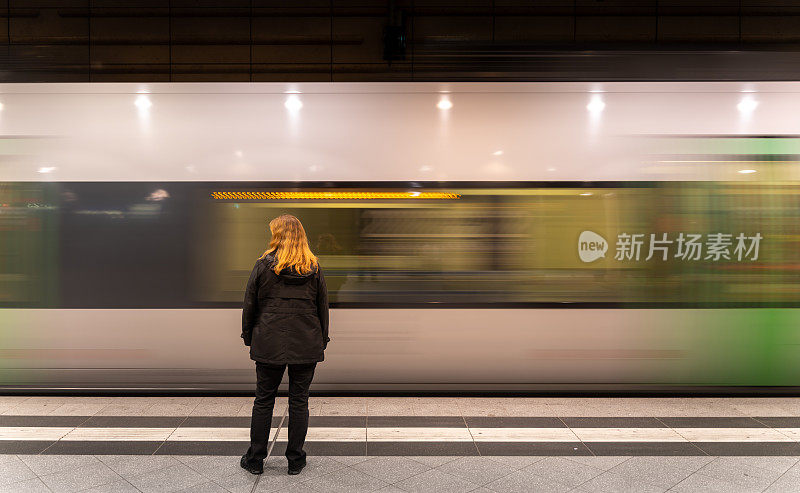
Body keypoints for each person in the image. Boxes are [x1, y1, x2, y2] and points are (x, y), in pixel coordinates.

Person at [239, 214, 329, 476]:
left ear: (276, 236)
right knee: (299, 401)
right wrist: (321, 340)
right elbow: (322, 308)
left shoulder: (262, 266)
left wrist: (249, 337)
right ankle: (295, 460)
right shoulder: (313, 267)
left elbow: (249, 306)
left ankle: (255, 460)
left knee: (264, 400)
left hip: (268, 341)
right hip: (306, 341)